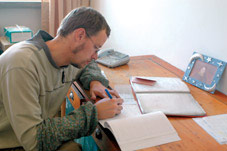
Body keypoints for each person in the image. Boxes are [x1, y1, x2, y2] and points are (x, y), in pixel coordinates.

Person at [0, 7, 123, 151]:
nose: (95, 56)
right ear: (80, 35)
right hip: (13, 144)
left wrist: (95, 81)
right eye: (95, 48)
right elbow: (34, 142)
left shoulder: (69, 56)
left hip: (37, 135)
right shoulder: (22, 64)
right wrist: (93, 114)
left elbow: (90, 66)